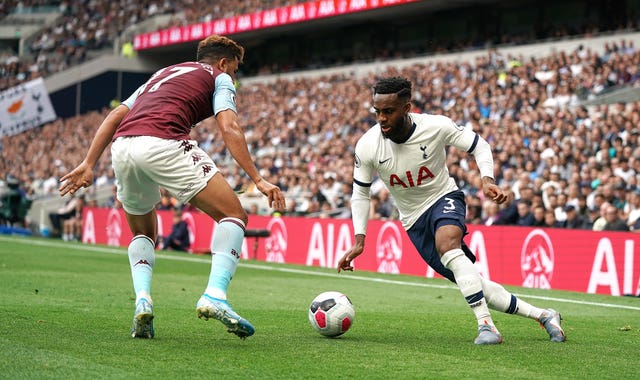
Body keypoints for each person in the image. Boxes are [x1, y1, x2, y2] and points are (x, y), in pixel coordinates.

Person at [59, 35, 285, 340]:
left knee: (143, 232)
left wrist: (88, 163)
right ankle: (215, 295)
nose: (234, 77)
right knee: (234, 215)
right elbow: (229, 126)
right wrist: (257, 179)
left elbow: (115, 115)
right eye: (234, 69)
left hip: (123, 147)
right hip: (163, 142)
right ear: (222, 63)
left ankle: (143, 301)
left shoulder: (162, 73)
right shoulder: (219, 78)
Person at [337, 77, 565, 345]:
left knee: (448, 245)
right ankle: (544, 315)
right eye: (377, 111)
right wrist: (359, 240)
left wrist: (487, 179)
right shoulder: (367, 145)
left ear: (407, 107)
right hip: (413, 221)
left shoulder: (436, 126)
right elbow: (361, 193)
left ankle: (486, 327)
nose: (382, 118)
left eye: (389, 111)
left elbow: (479, 144)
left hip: (444, 197)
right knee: (471, 280)